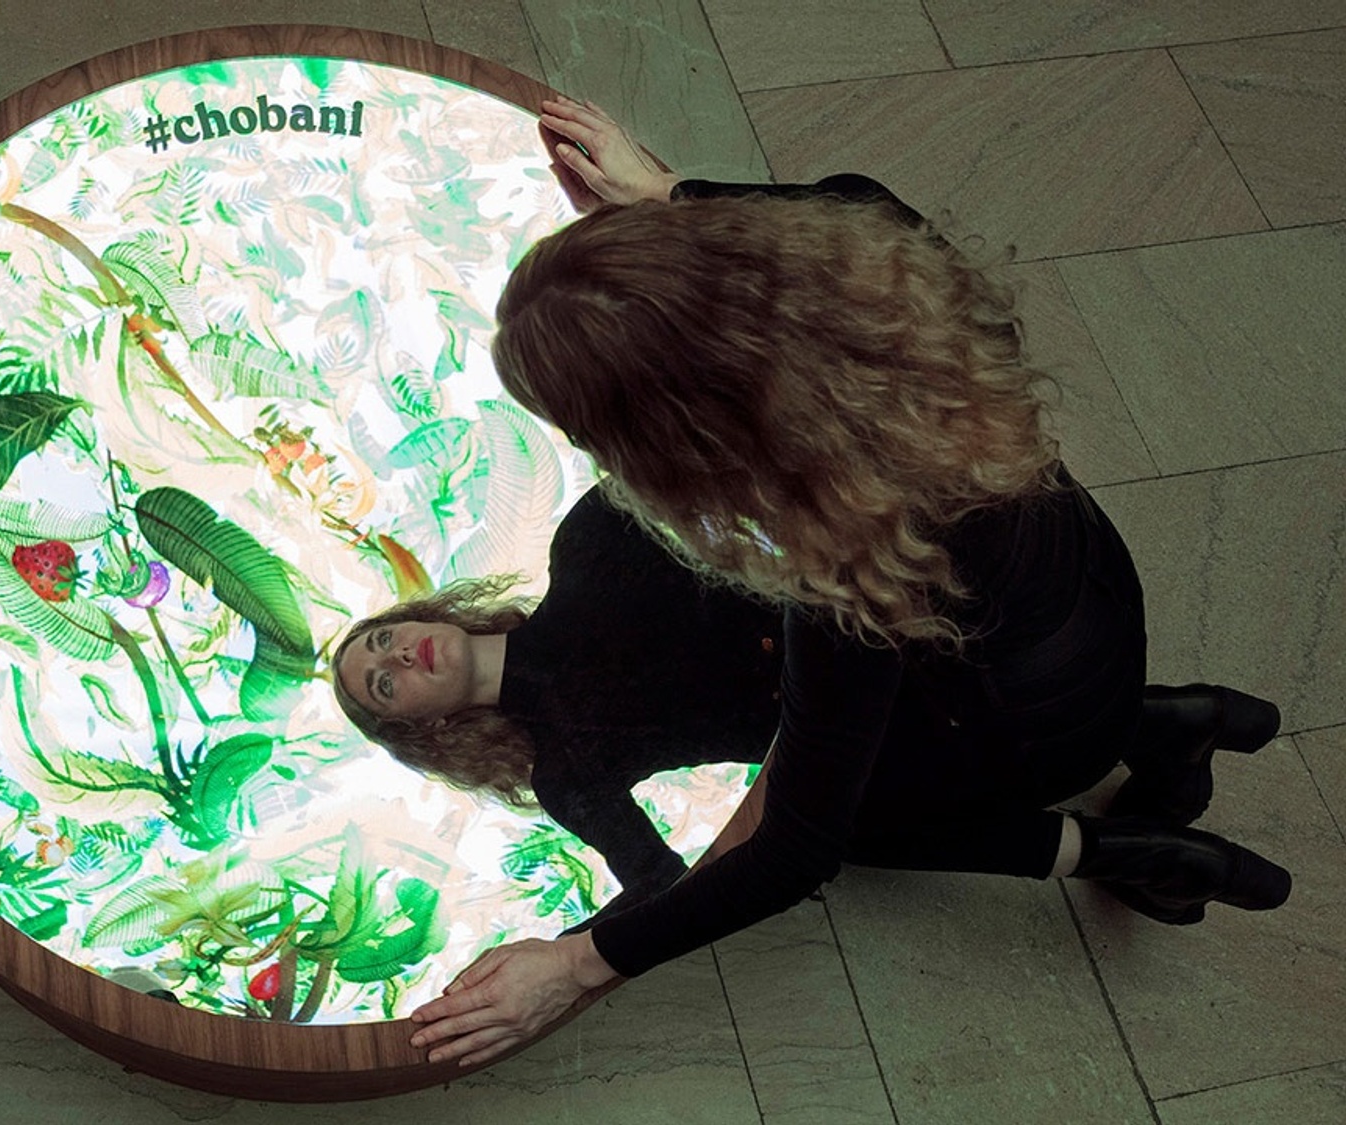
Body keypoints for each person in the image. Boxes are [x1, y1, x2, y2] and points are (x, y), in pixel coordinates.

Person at [355, 96, 1293, 1068]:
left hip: (1037, 719)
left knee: (856, 813)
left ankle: (1139, 834)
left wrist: (578, 966)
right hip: (1090, 579)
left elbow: (795, 849)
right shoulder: (906, 307)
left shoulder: (850, 566)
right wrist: (670, 195)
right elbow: (857, 208)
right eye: (378, 678)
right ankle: (1170, 723)